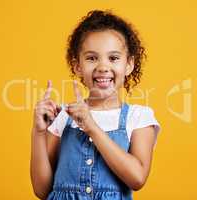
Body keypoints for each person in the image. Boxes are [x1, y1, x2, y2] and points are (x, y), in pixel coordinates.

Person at [30, 10, 161, 200]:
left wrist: (91, 126)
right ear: (77, 66)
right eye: (92, 58)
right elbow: (42, 190)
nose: (102, 66)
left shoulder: (139, 117)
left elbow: (137, 178)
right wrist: (38, 133)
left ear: (129, 65)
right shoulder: (62, 116)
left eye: (113, 58)